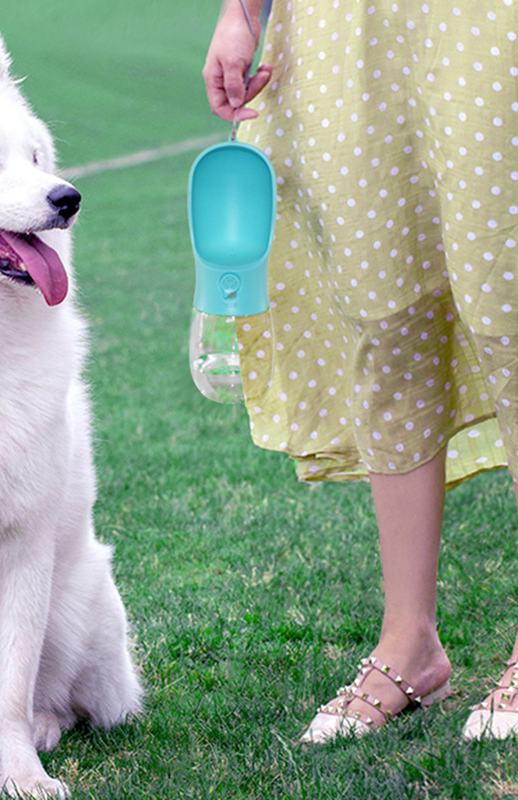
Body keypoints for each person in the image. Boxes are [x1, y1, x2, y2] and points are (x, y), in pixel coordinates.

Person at [202, 0, 518, 742]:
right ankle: (410, 642)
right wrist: (240, 13)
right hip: (340, 33)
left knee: (508, 305)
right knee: (383, 319)